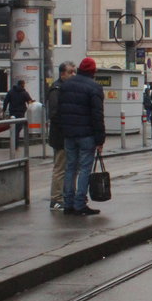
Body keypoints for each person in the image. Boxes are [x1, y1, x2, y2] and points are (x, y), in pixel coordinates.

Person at [57, 57, 105, 216]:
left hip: (69, 134)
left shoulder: (66, 85)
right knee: (85, 168)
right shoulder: (94, 87)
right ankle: (80, 203)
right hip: (87, 135)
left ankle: (68, 203)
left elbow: (60, 111)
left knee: (70, 167)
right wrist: (100, 140)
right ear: (93, 71)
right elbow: (97, 115)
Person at [46, 61, 76, 210]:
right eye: (71, 72)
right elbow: (54, 113)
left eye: (74, 72)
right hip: (60, 136)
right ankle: (56, 199)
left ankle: (67, 195)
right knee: (60, 168)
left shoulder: (67, 89)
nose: (73, 75)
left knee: (70, 167)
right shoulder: (56, 89)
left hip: (69, 135)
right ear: (63, 73)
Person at [2, 79, 33, 145]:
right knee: (18, 128)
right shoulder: (24, 93)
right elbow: (29, 101)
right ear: (23, 84)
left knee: (13, 127)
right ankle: (15, 144)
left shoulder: (10, 92)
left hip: (12, 112)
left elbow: (6, 101)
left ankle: (13, 143)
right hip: (20, 113)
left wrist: (4, 110)